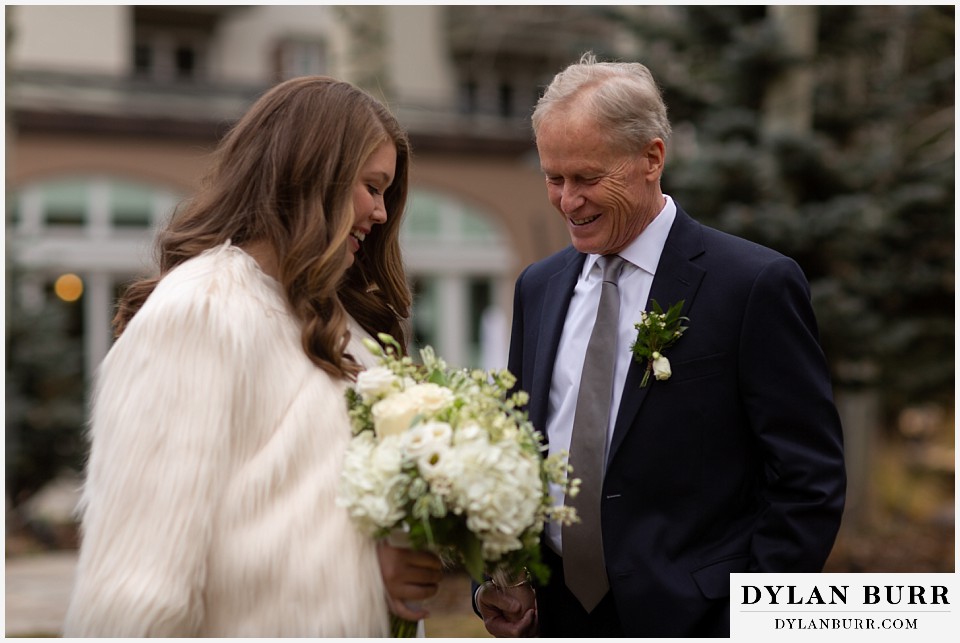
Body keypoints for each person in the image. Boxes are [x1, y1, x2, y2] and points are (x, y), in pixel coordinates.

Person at [475, 53, 846, 637]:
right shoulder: (538, 287)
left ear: (651, 158)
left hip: (696, 618)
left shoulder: (752, 285)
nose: (568, 200)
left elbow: (808, 478)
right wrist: (502, 574)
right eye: (554, 178)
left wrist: (751, 622)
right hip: (555, 616)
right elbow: (521, 450)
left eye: (589, 178)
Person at [63, 76, 443, 637]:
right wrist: (369, 569)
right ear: (313, 172)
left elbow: (296, 510)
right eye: (371, 186)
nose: (381, 213)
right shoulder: (201, 312)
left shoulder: (340, 326)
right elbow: (140, 582)